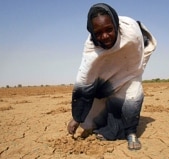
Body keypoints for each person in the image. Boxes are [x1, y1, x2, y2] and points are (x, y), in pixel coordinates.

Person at [67, 3, 157, 150]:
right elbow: (84, 83)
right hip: (106, 79)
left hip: (130, 72)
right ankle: (108, 117)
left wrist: (128, 77)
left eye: (109, 29)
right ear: (92, 32)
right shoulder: (91, 49)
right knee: (89, 122)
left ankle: (131, 133)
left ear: (116, 25)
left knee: (132, 98)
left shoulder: (131, 33)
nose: (105, 36)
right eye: (98, 33)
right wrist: (77, 118)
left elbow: (139, 55)